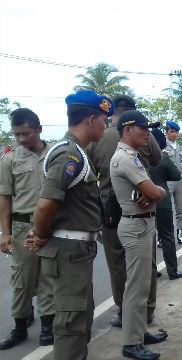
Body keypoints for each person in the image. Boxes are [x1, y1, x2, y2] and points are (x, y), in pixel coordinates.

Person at [24, 90, 111, 360]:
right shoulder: (69, 155)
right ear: (90, 119)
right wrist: (39, 234)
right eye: (103, 119)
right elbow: (46, 202)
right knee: (71, 324)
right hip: (68, 250)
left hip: (77, 250)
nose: (106, 126)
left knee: (81, 317)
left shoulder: (79, 154)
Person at [87, 94, 161, 328]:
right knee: (145, 263)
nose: (146, 132)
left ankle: (123, 309)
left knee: (118, 262)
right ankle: (145, 310)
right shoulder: (142, 138)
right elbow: (158, 161)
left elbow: (88, 175)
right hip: (141, 203)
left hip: (110, 207)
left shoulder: (99, 137)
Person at [110, 110, 168, 360]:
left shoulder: (132, 156)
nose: (148, 133)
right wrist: (158, 192)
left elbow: (154, 191)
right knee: (136, 286)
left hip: (141, 224)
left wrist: (156, 191)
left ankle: (139, 332)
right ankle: (131, 343)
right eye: (143, 128)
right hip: (135, 226)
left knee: (142, 285)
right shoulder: (125, 158)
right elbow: (155, 194)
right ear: (127, 129)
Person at [0, 108, 55, 349]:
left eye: (26, 134)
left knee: (48, 278)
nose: (21, 140)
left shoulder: (56, 154)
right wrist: (6, 233)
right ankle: (20, 327)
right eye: (17, 135)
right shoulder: (10, 159)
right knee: (22, 279)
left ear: (39, 129)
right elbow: (5, 198)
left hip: (52, 227)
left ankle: (47, 326)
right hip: (22, 226)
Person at [148, 128, 182, 280]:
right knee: (167, 236)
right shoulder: (162, 157)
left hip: (146, 203)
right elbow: (176, 175)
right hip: (163, 201)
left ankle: (152, 270)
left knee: (150, 236)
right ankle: (172, 270)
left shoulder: (139, 158)